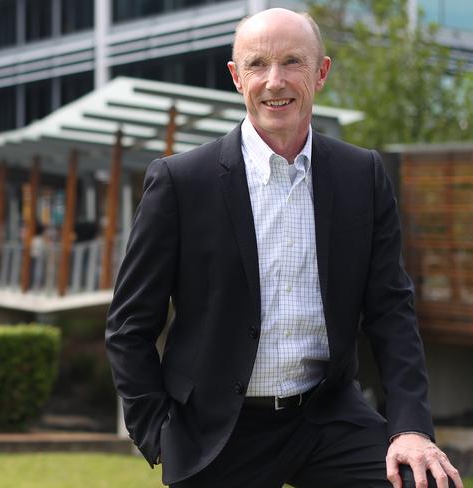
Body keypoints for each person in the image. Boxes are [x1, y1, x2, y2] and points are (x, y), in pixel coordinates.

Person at [105, 8, 462, 488]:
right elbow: (129, 327)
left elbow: (391, 311)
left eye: (292, 62)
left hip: (326, 417)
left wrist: (411, 428)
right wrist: (157, 432)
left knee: (424, 482)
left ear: (321, 73)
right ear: (236, 77)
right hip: (217, 428)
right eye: (257, 64)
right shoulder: (180, 183)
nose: (275, 81)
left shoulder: (362, 176)